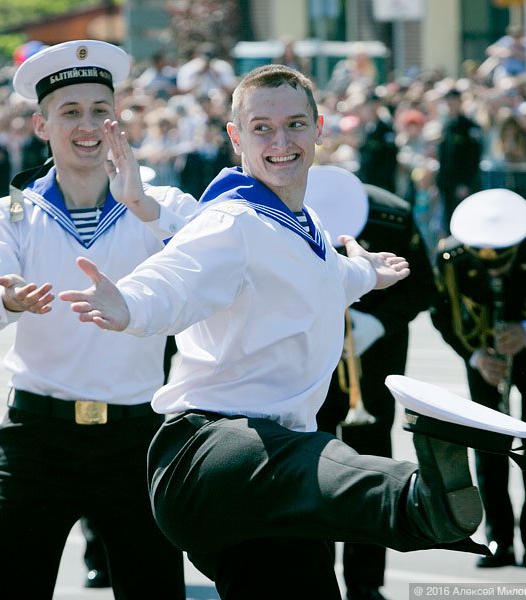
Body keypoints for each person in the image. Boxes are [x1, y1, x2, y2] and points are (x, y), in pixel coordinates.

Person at [59, 64, 486, 600]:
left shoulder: (304, 229)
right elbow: (178, 276)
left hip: (269, 485)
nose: (281, 141)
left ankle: (419, 503)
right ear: (236, 136)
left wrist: (367, 273)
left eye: (294, 125)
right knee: (312, 457)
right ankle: (419, 500)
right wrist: (129, 304)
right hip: (208, 455)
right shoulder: (231, 221)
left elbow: (328, 273)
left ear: (318, 129)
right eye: (262, 128)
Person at [0, 40, 197, 600]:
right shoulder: (13, 212)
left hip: (137, 438)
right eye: (70, 113)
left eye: (100, 112)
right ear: (42, 125)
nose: (88, 126)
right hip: (38, 440)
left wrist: (143, 203)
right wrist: (7, 300)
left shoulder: (156, 204)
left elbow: (221, 250)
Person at [430, 189, 526, 569]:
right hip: (486, 359)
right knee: (489, 446)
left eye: (502, 262)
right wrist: (475, 357)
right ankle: (498, 538)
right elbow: (442, 314)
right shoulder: (453, 256)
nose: (493, 270)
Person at [315, 183, 436, 600]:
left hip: (375, 359)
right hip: (309, 362)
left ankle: (366, 584)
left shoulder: (392, 214)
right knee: (309, 470)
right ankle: (315, 578)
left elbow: (423, 285)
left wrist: (380, 323)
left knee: (370, 470)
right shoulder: (277, 208)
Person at [436, 87, 482, 233]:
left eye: (453, 101)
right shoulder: (448, 125)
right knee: (448, 221)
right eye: (448, 101)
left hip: (461, 183)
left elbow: (473, 158)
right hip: (447, 182)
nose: (450, 104)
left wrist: (465, 183)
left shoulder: (469, 126)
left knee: (463, 221)